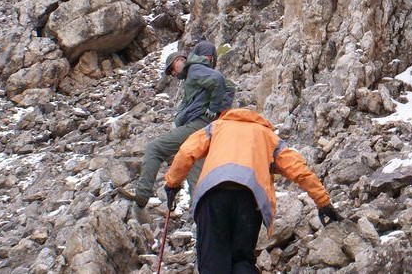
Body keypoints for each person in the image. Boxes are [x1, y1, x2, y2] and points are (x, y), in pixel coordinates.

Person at [163, 108, 343, 273]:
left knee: (213, 261)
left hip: (214, 196)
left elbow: (186, 153)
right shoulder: (268, 136)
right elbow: (299, 170)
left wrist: (172, 184)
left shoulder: (216, 127)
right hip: (250, 200)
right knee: (242, 261)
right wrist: (323, 202)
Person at [119, 43, 232, 207]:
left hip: (199, 124)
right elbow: (229, 87)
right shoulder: (197, 73)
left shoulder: (194, 69)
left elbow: (218, 80)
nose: (173, 73)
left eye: (172, 68)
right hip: (207, 127)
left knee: (155, 148)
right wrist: (220, 112)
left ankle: (142, 195)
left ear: (181, 60)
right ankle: (200, 217)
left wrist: (213, 109)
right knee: (196, 175)